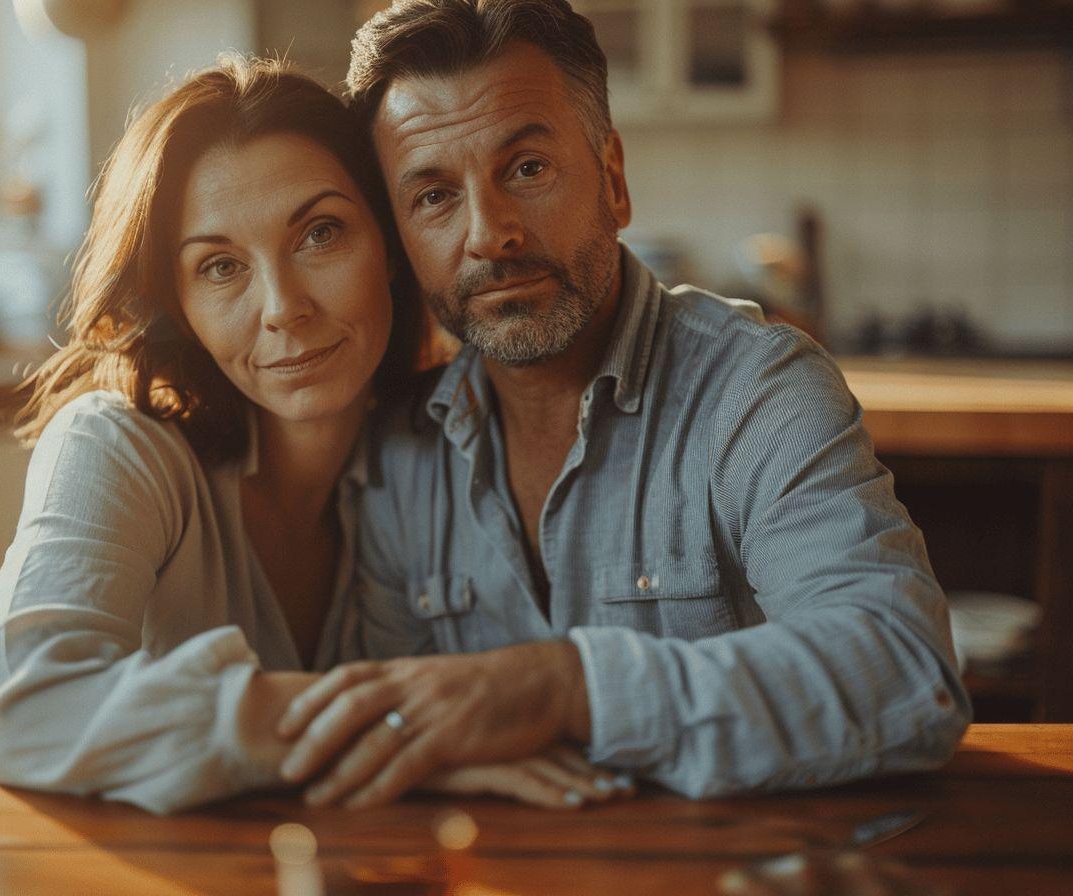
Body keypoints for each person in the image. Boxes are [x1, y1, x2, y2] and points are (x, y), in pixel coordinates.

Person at [276, 0, 971, 808]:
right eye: (433, 196)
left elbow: (906, 673)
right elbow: (380, 725)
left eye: (527, 169)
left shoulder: (756, 390)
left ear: (612, 178)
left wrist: (563, 687)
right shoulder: (397, 446)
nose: (488, 234)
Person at [0, 55, 619, 814]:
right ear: (174, 301)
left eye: (320, 234)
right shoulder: (116, 446)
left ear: (395, 247)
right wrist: (383, 730)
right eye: (219, 267)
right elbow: (22, 710)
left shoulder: (443, 454)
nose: (282, 308)